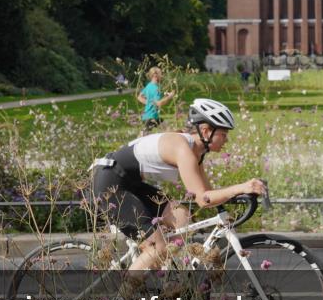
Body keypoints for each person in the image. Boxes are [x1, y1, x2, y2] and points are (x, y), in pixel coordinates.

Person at [91, 98, 267, 280]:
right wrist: (241, 186)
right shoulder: (183, 149)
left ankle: (167, 280)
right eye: (223, 134)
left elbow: (208, 193)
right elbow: (203, 198)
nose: (226, 139)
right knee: (157, 247)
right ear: (206, 131)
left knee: (182, 217)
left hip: (131, 182)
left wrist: (239, 193)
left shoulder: (197, 152)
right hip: (110, 183)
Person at [137, 67, 175, 133]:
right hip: (150, 117)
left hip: (154, 116)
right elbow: (159, 103)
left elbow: (139, 97)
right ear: (155, 76)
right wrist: (169, 97)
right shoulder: (156, 88)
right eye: (161, 74)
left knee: (169, 131)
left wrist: (149, 103)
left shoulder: (149, 85)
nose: (162, 76)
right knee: (142, 138)